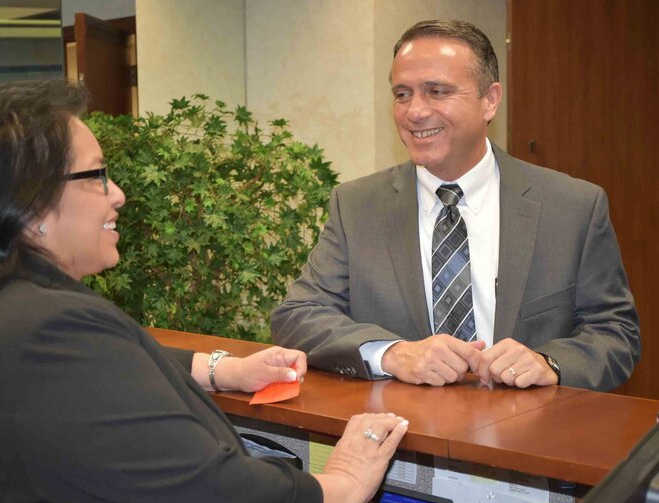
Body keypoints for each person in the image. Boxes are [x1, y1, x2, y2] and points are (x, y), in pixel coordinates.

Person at [0, 79, 409, 503]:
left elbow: (104, 380)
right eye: (97, 176)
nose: (117, 194)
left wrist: (222, 369)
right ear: (32, 206)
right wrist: (342, 483)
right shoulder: (46, 331)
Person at [272, 19, 640, 392]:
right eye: (402, 94)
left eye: (437, 91)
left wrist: (550, 363)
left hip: (529, 437)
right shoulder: (356, 207)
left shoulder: (572, 207)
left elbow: (615, 332)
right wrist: (392, 353)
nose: (414, 111)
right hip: (403, 441)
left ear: (490, 100)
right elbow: (299, 316)